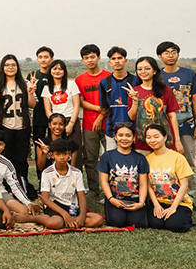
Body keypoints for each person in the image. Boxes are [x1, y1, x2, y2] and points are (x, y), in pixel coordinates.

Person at [157, 41, 196, 201]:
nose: (170, 55)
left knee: (188, 161)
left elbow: (195, 100)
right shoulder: (157, 76)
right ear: (160, 56)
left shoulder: (189, 74)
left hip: (187, 124)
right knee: (164, 162)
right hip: (163, 127)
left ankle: (189, 196)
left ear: (178, 54)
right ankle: (167, 194)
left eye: (173, 52)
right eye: (166, 52)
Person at [0, 54, 39, 198]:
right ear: (2, 68)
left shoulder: (25, 83)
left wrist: (30, 93)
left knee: (21, 160)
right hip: (5, 126)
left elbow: (32, 105)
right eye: (7, 65)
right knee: (5, 159)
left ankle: (22, 188)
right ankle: (6, 190)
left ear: (17, 67)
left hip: (22, 126)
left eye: (13, 65)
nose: (10, 67)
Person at [0, 130, 49, 226]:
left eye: (0, 144)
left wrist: (27, 202)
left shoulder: (6, 164)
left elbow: (15, 186)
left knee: (24, 212)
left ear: (4, 146)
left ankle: (9, 214)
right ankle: (2, 213)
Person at [39, 139, 105, 229]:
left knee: (98, 219)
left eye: (65, 154)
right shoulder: (47, 173)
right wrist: (64, 214)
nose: (62, 157)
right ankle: (36, 218)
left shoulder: (76, 172)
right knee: (55, 223)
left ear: (69, 154)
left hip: (72, 206)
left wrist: (82, 216)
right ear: (52, 155)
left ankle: (70, 222)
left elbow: (81, 196)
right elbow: (45, 198)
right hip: (55, 207)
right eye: (58, 154)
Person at [75, 45, 111, 199]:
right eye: (86, 58)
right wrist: (99, 109)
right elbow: (81, 102)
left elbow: (112, 100)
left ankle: (111, 190)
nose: (89, 60)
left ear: (99, 57)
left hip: (109, 124)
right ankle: (94, 189)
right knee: (91, 158)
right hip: (89, 125)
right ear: (83, 60)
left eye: (92, 57)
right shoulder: (80, 79)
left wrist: (101, 115)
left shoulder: (109, 76)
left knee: (110, 158)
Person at [144, 123, 194, 232]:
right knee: (155, 223)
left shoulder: (178, 158)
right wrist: (156, 205)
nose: (152, 140)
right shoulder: (147, 159)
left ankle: (185, 218)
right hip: (160, 202)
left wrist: (173, 207)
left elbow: (184, 185)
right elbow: (148, 186)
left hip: (179, 202)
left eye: (156, 137)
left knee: (175, 225)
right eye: (149, 137)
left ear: (165, 137)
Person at [97, 123, 149, 228]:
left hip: (135, 199)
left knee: (137, 223)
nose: (124, 138)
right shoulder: (107, 156)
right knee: (117, 222)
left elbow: (143, 184)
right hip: (115, 199)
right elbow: (104, 181)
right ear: (115, 137)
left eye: (128, 135)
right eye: (120, 135)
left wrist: (141, 203)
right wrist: (111, 199)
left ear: (134, 138)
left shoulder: (140, 158)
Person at [126, 56, 180, 154]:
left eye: (147, 69)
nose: (143, 72)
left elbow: (172, 116)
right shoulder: (134, 91)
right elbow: (132, 117)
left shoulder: (166, 90)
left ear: (154, 71)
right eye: (139, 69)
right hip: (143, 142)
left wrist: (178, 140)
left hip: (164, 141)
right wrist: (135, 101)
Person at [100, 47, 139, 151]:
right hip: (112, 130)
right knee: (113, 162)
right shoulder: (104, 83)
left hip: (133, 130)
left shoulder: (136, 81)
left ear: (125, 61)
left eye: (120, 58)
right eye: (113, 59)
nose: (117, 61)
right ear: (110, 62)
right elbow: (104, 108)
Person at [41, 59, 81, 142]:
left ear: (64, 71)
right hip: (55, 122)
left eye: (60, 69)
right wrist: (54, 123)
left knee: (74, 149)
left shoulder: (71, 84)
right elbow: (47, 110)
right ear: (50, 71)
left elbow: (76, 105)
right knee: (56, 149)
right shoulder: (46, 88)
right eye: (54, 69)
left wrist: (71, 124)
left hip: (70, 119)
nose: (57, 71)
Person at [30, 46, 55, 151]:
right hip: (38, 116)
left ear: (51, 59)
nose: (43, 59)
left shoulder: (56, 74)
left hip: (54, 116)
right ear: (37, 59)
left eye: (46, 57)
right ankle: (39, 167)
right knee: (39, 145)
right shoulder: (32, 75)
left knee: (54, 145)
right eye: (40, 57)